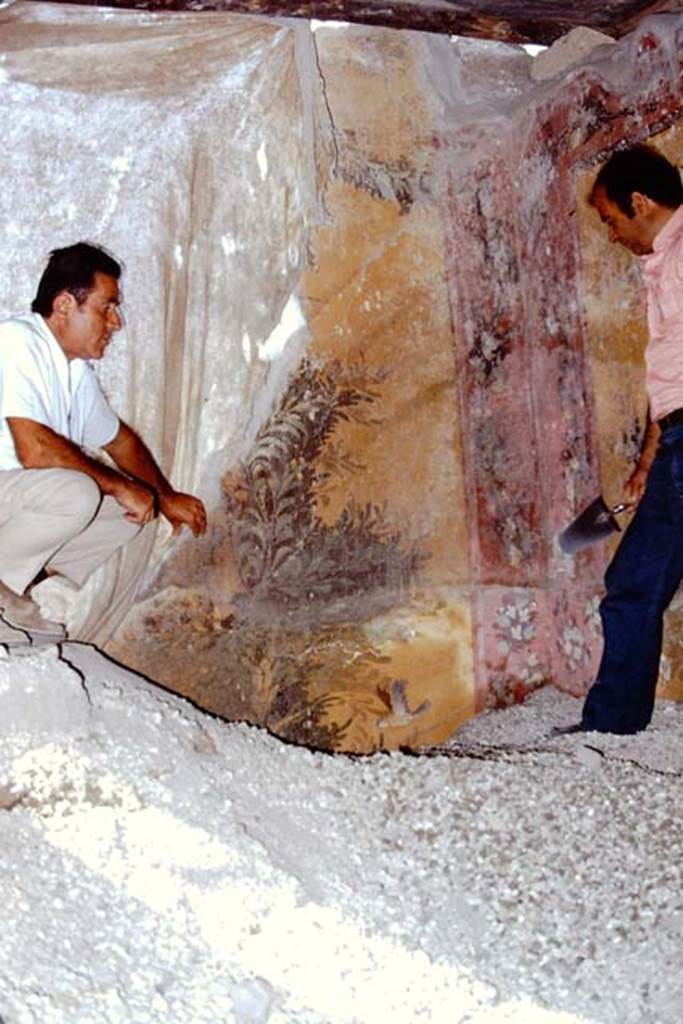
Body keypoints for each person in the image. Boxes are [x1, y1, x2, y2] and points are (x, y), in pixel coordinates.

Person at [0, 242, 206, 640]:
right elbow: (34, 449)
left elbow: (120, 441)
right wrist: (119, 485)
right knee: (78, 493)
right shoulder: (17, 341)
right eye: (106, 307)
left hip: (15, 502)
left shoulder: (73, 370)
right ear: (64, 305)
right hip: (10, 492)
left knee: (134, 513)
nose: (116, 322)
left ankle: (19, 588)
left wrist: (164, 496)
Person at [564, 143, 683, 734]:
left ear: (640, 202)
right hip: (679, 441)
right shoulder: (663, 264)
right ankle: (612, 726)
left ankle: (611, 724)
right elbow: (671, 378)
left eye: (612, 220)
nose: (611, 236)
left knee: (633, 584)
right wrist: (647, 463)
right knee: (632, 583)